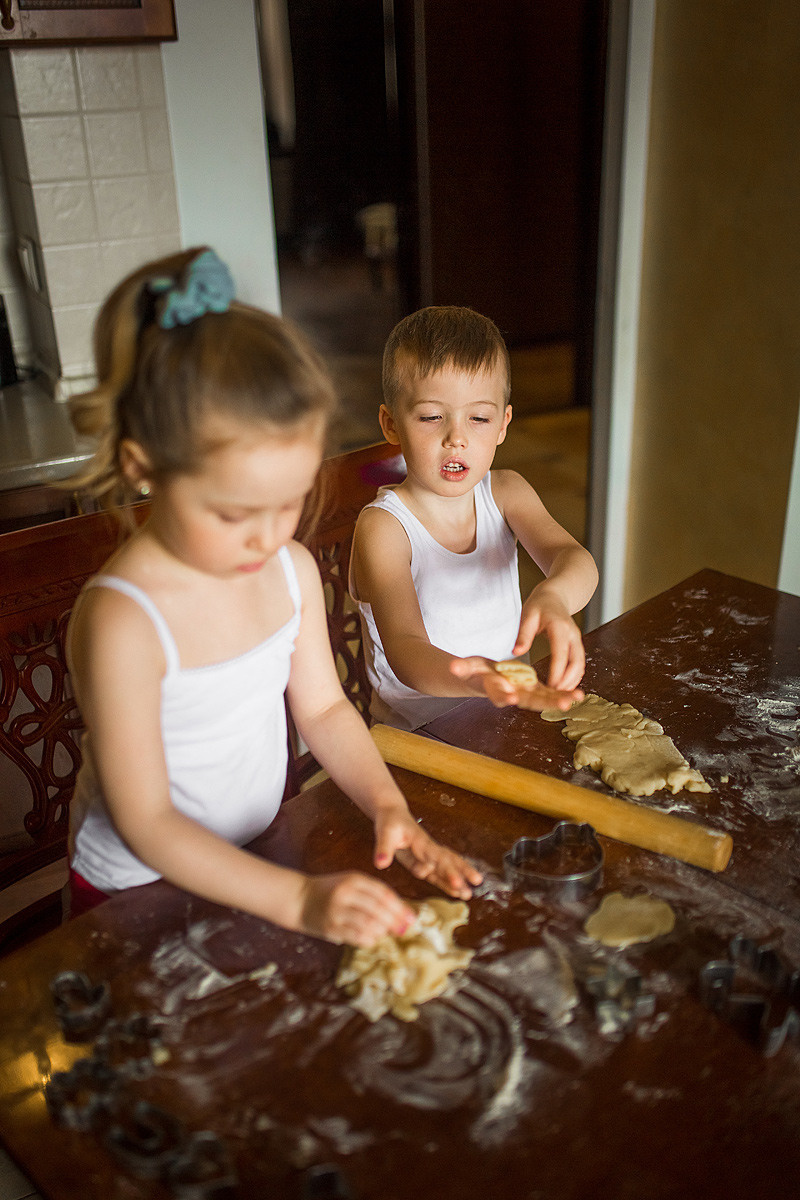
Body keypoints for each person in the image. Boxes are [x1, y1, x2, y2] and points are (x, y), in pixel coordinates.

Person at [64, 248, 481, 948]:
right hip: (135, 895)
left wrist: (387, 805)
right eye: (233, 513)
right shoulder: (124, 621)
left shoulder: (287, 571)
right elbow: (149, 821)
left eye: (288, 503)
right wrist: (301, 902)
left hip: (260, 856)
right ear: (144, 467)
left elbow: (321, 708)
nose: (266, 536)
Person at [349, 305, 599, 732]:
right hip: (414, 738)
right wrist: (481, 678)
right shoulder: (385, 529)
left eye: (479, 418)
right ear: (392, 425)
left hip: (498, 714)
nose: (457, 438)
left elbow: (575, 559)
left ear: (503, 424)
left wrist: (555, 596)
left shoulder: (506, 492)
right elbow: (406, 652)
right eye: (431, 417)